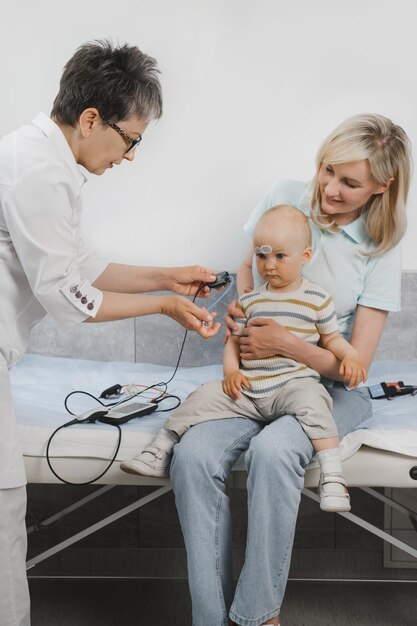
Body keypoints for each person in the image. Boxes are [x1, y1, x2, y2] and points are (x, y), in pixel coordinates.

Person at [0, 40, 220, 626]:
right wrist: (165, 305)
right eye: (131, 139)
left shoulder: (44, 162)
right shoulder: (39, 172)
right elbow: (70, 299)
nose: (131, 155)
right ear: (91, 119)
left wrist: (168, 275)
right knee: (2, 514)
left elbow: (82, 263)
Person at [168, 113, 412, 626]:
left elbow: (355, 368)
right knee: (192, 456)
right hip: (257, 381)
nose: (330, 188)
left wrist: (287, 343)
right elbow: (247, 266)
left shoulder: (381, 244)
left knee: (275, 450)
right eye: (327, 171)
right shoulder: (286, 195)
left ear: (381, 186)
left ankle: (256, 616)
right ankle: (209, 618)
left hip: (326, 388)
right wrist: (241, 308)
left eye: (350, 182)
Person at [121, 204, 368, 514]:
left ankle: (332, 475)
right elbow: (234, 343)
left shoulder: (316, 299)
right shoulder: (250, 301)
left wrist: (351, 357)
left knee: (316, 400)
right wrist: (231, 373)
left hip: (292, 386)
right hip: (249, 390)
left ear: (305, 257)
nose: (269, 265)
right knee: (201, 396)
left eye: (280, 256)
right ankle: (160, 448)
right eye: (261, 256)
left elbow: (332, 340)